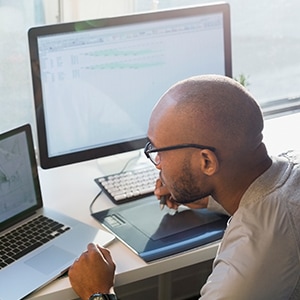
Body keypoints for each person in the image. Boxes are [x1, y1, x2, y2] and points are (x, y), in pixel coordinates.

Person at [68, 74, 300, 300]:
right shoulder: (288, 174)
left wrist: (98, 293)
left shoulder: (243, 271)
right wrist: (209, 198)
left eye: (158, 152)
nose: (156, 163)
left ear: (207, 162)